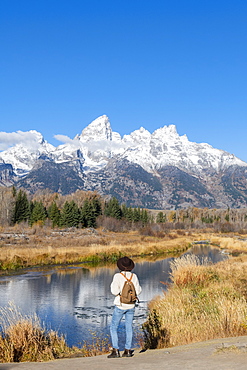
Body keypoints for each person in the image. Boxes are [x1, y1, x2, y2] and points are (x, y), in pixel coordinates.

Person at [108, 256, 142, 358]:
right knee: (129, 328)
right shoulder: (133, 276)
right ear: (130, 266)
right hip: (131, 305)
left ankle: (116, 350)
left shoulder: (117, 276)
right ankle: (127, 350)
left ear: (120, 266)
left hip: (120, 305)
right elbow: (139, 290)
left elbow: (114, 291)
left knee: (114, 327)